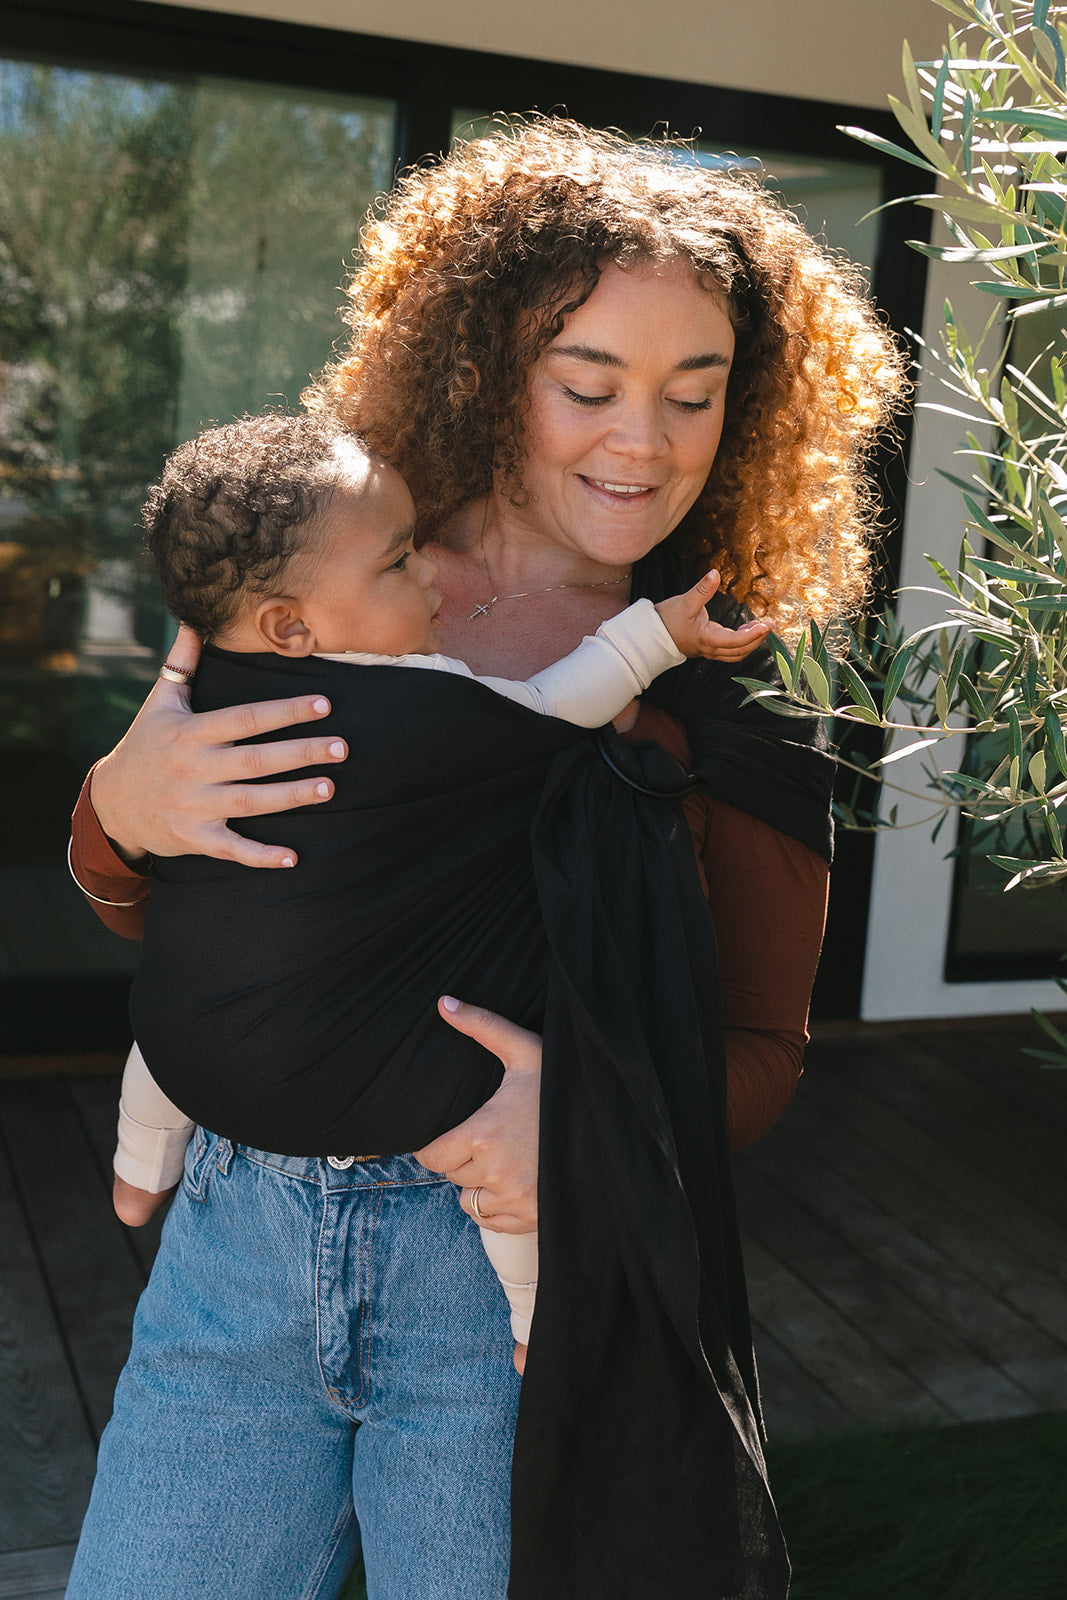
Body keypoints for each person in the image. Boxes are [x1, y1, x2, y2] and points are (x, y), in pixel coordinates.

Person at [66, 119, 904, 1600]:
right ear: (483, 368)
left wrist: (580, 1114)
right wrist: (117, 809)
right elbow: (181, 895)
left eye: (693, 396)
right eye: (588, 384)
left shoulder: (734, 696)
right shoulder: (321, 585)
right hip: (240, 1246)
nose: (640, 442)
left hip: (515, 1274)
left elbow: (766, 1051)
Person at [110, 407, 770, 1370]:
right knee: (489, 1131)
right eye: (395, 563)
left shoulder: (194, 703)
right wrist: (655, 638)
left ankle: (135, 1173)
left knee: (174, 1006)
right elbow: (554, 704)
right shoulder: (424, 707)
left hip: (193, 1051)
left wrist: (117, 789)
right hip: (399, 1095)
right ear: (293, 624)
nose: (428, 575)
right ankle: (533, 1314)